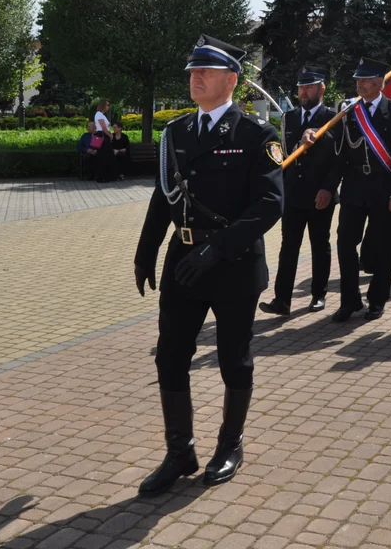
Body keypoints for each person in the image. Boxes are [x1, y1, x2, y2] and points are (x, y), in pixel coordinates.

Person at [133, 35, 284, 496]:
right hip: (183, 261)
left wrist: (216, 248)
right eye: (192, 73)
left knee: (232, 360)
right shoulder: (177, 132)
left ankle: (229, 446)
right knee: (171, 355)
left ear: (231, 81)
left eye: (206, 72)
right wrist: (146, 249)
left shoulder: (256, 135)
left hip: (232, 265)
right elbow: (164, 195)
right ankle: (180, 451)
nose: (195, 79)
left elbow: (270, 205)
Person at [325, 58, 391, 323]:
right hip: (353, 189)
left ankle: (376, 300)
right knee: (344, 243)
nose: (359, 84)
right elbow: (339, 154)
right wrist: (329, 188)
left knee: (382, 247)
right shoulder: (349, 110)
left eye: (364, 80)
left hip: (384, 191)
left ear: (379, 82)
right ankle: (349, 301)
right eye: (357, 80)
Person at [260, 70, 338, 318]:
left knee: (319, 245)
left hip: (320, 195)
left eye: (310, 87)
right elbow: (285, 155)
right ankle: (282, 300)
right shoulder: (289, 118)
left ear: (321, 89)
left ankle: (318, 294)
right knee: (288, 247)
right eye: (301, 87)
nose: (303, 92)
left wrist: (328, 188)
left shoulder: (333, 118)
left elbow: (338, 161)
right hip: (293, 194)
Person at [92, 98, 117, 182]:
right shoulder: (99, 114)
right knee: (104, 156)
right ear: (103, 105)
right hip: (102, 135)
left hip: (101, 135)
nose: (108, 107)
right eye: (107, 105)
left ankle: (105, 176)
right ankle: (103, 176)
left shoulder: (101, 115)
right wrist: (110, 135)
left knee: (104, 156)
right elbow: (103, 128)